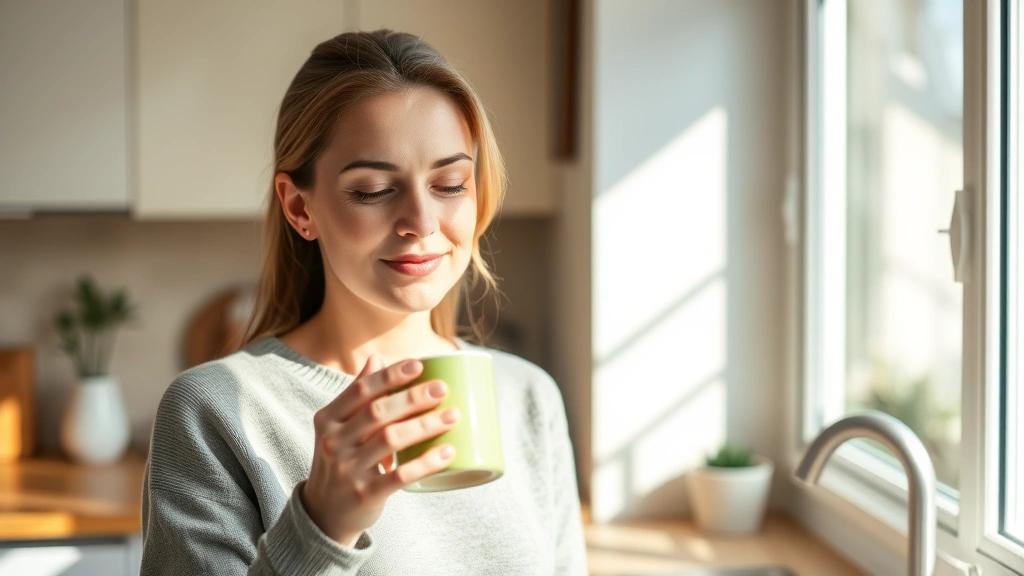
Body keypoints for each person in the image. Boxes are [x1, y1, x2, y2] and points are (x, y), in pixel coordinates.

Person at [140, 29, 588, 575]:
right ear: (299, 208)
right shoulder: (215, 411)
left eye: (450, 184)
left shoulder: (527, 398)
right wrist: (321, 524)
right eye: (373, 190)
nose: (421, 224)